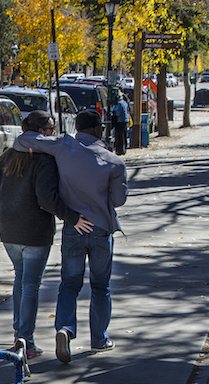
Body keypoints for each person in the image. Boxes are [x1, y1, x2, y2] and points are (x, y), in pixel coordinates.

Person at [14, 109, 128, 364]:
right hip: (100, 229)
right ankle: (99, 338)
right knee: (101, 286)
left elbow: (22, 140)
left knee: (69, 284)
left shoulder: (64, 146)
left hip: (73, 227)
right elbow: (119, 200)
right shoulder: (113, 162)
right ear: (99, 129)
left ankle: (65, 328)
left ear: (77, 127)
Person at [0, 110, 75, 359]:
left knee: (21, 279)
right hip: (34, 230)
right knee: (30, 284)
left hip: (8, 229)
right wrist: (72, 217)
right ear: (42, 132)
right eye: (50, 129)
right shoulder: (44, 160)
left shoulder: (7, 156)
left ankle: (19, 335)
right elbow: (47, 199)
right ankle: (25, 340)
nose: (53, 134)